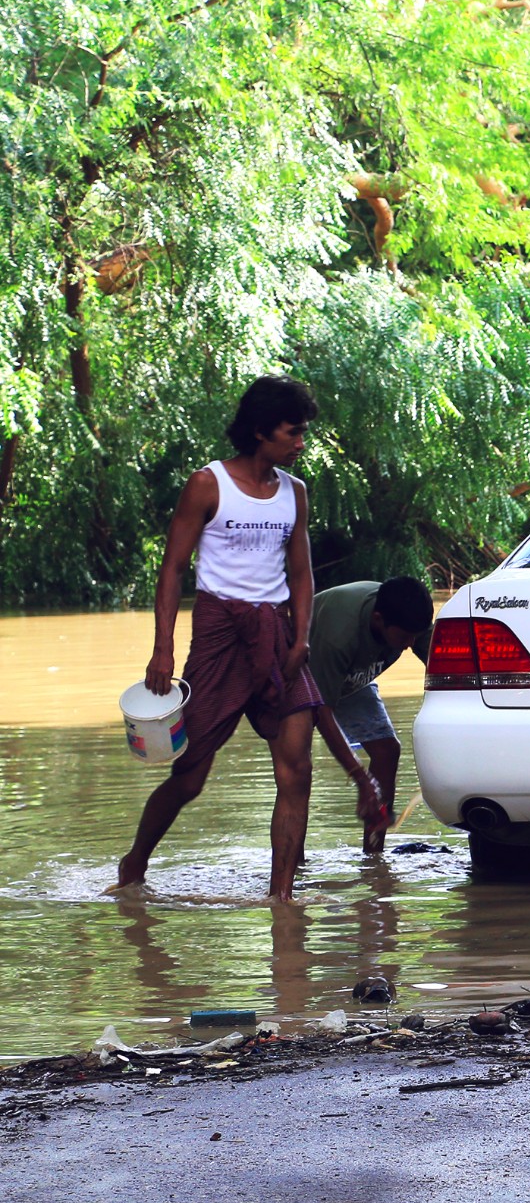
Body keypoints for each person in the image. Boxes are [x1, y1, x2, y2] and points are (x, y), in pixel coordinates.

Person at [113, 377, 373, 901]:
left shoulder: (294, 493)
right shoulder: (208, 485)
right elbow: (172, 569)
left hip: (278, 635)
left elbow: (302, 574)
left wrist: (300, 636)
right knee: (190, 778)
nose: (301, 443)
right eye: (293, 432)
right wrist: (162, 648)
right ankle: (134, 862)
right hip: (218, 635)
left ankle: (282, 898)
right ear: (261, 432)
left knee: (296, 769)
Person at [308, 577, 436, 853]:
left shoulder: (410, 620)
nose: (411, 644)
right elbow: (321, 711)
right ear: (378, 620)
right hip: (304, 676)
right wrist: (360, 778)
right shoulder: (338, 636)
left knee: (387, 750)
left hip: (354, 680)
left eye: (417, 636)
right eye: (404, 638)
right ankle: (294, 868)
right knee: (298, 770)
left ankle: (374, 860)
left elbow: (446, 671)